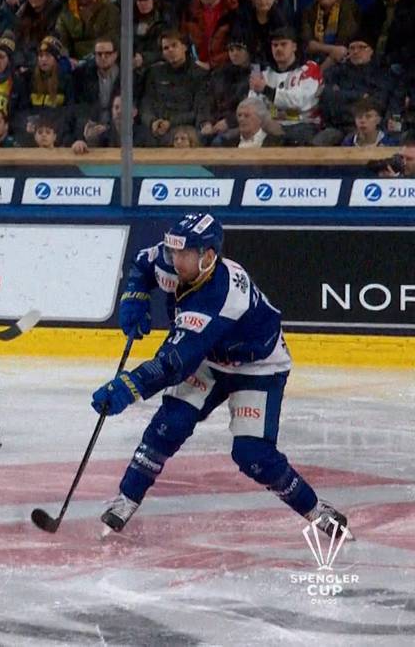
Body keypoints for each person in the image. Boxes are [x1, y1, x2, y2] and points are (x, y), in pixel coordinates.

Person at [92, 212, 348, 538]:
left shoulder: (222, 297)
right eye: (173, 250)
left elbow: (174, 362)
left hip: (257, 368)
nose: (175, 259)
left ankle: (316, 510)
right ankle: (126, 499)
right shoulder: (173, 262)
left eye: (184, 253)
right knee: (168, 425)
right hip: (209, 357)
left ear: (208, 256)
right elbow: (143, 263)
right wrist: (135, 296)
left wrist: (129, 386)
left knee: (253, 455)